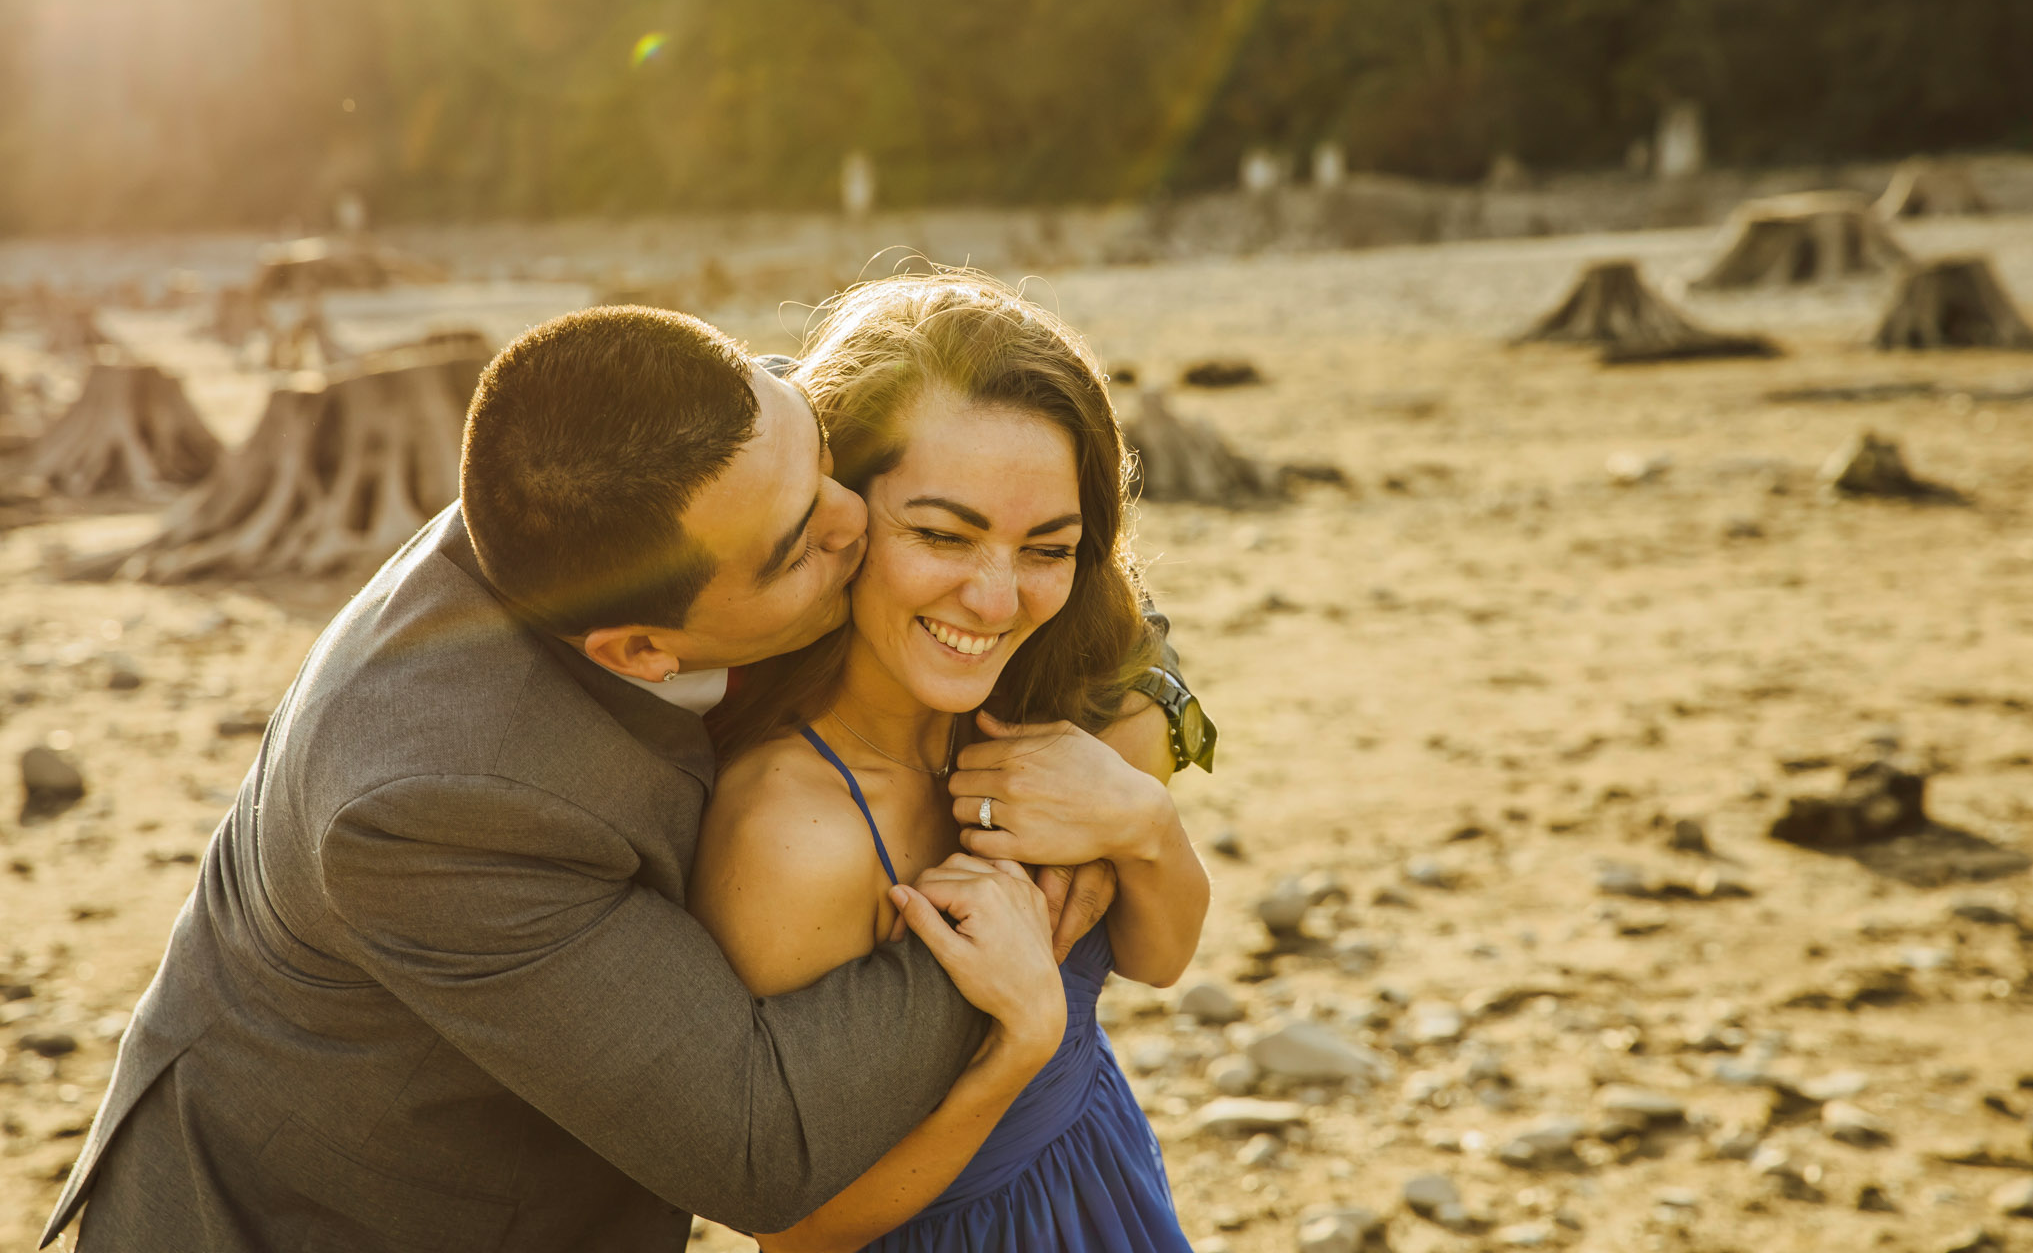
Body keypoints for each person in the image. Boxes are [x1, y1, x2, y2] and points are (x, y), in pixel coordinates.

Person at [42, 305, 1187, 1252]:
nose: (856, 519)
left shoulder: (738, 446)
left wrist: (1140, 760)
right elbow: (758, 1146)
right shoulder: (434, 803)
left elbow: (1058, 553)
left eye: (826, 461)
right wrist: (1027, 891)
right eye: (805, 542)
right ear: (642, 651)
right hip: (340, 1208)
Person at [694, 274, 1210, 1251]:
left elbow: (1160, 956)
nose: (995, 598)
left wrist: (1142, 824)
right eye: (941, 534)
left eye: (1046, 548)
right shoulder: (794, 835)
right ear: (834, 513)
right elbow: (795, 1232)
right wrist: (1018, 1044)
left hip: (1104, 1180)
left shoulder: (1048, 703)